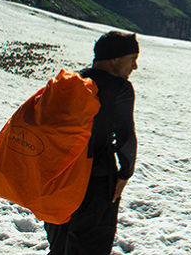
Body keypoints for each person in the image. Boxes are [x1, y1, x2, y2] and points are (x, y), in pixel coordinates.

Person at [44, 31, 139, 255]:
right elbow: (125, 135)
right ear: (115, 59)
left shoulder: (71, 82)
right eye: (132, 59)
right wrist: (125, 174)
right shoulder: (120, 88)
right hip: (96, 181)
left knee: (60, 245)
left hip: (60, 179)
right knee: (90, 245)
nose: (135, 67)